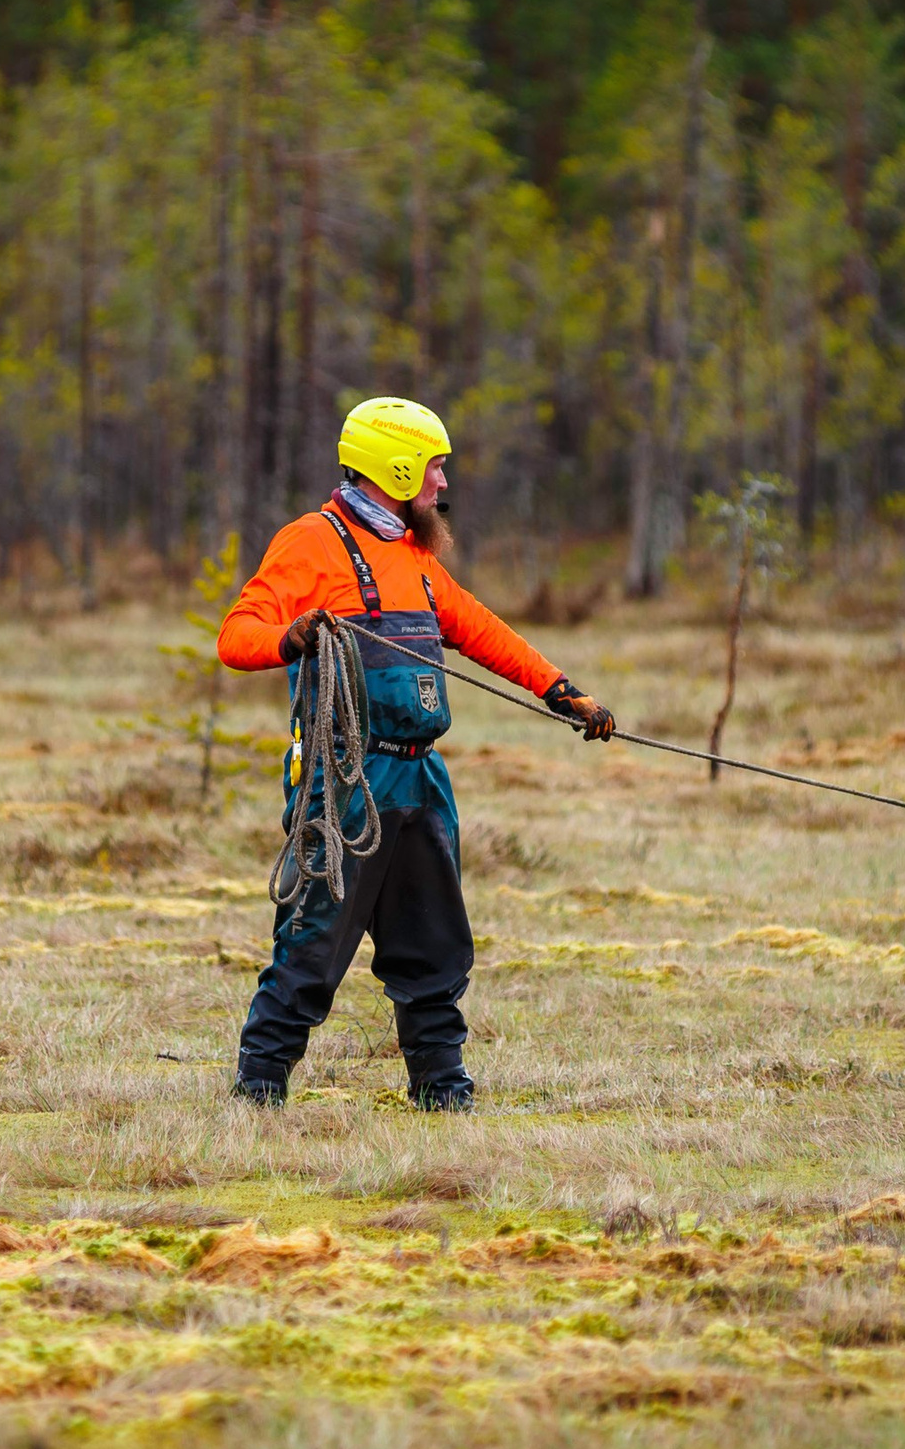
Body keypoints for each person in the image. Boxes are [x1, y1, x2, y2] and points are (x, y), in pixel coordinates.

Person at [215, 396, 616, 1111]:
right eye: (434, 468)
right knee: (312, 945)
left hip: (421, 777)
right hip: (345, 777)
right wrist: (292, 635)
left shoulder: (413, 555)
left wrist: (562, 691)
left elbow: (482, 629)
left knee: (434, 947)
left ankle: (443, 1091)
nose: (442, 485)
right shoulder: (311, 541)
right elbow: (236, 633)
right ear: (395, 468)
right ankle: (257, 1091)